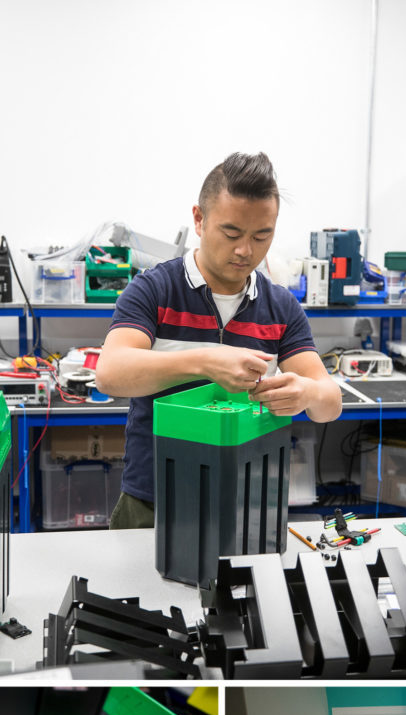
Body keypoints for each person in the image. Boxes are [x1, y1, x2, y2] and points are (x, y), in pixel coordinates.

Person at [95, 151, 342, 529]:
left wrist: (306, 392)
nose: (246, 250)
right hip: (154, 501)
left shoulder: (281, 308)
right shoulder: (155, 290)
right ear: (199, 219)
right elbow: (110, 374)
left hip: (247, 503)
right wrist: (207, 360)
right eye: (231, 233)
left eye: (262, 236)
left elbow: (330, 403)